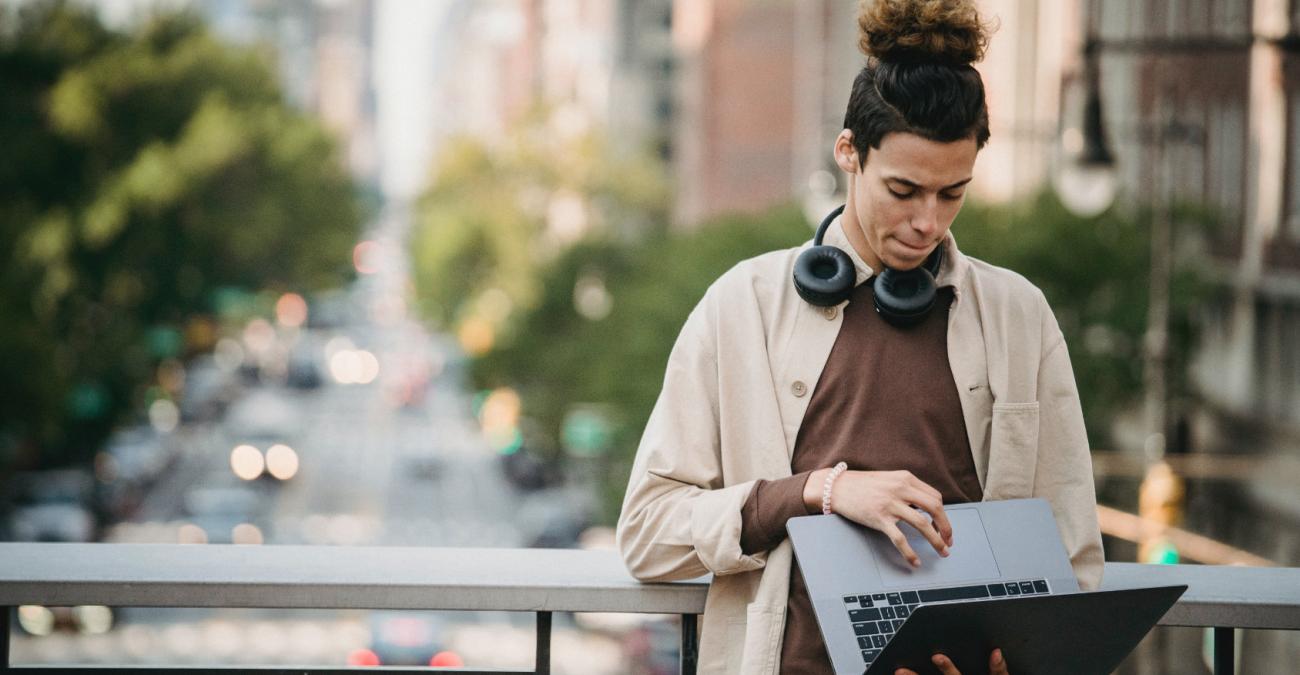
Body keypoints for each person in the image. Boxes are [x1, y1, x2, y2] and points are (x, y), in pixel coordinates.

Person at [615, 0, 1104, 673]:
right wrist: (816, 491)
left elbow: (1072, 558)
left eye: (951, 193)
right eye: (903, 190)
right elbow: (647, 532)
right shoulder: (742, 305)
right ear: (849, 152)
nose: (927, 222)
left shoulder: (1021, 316)